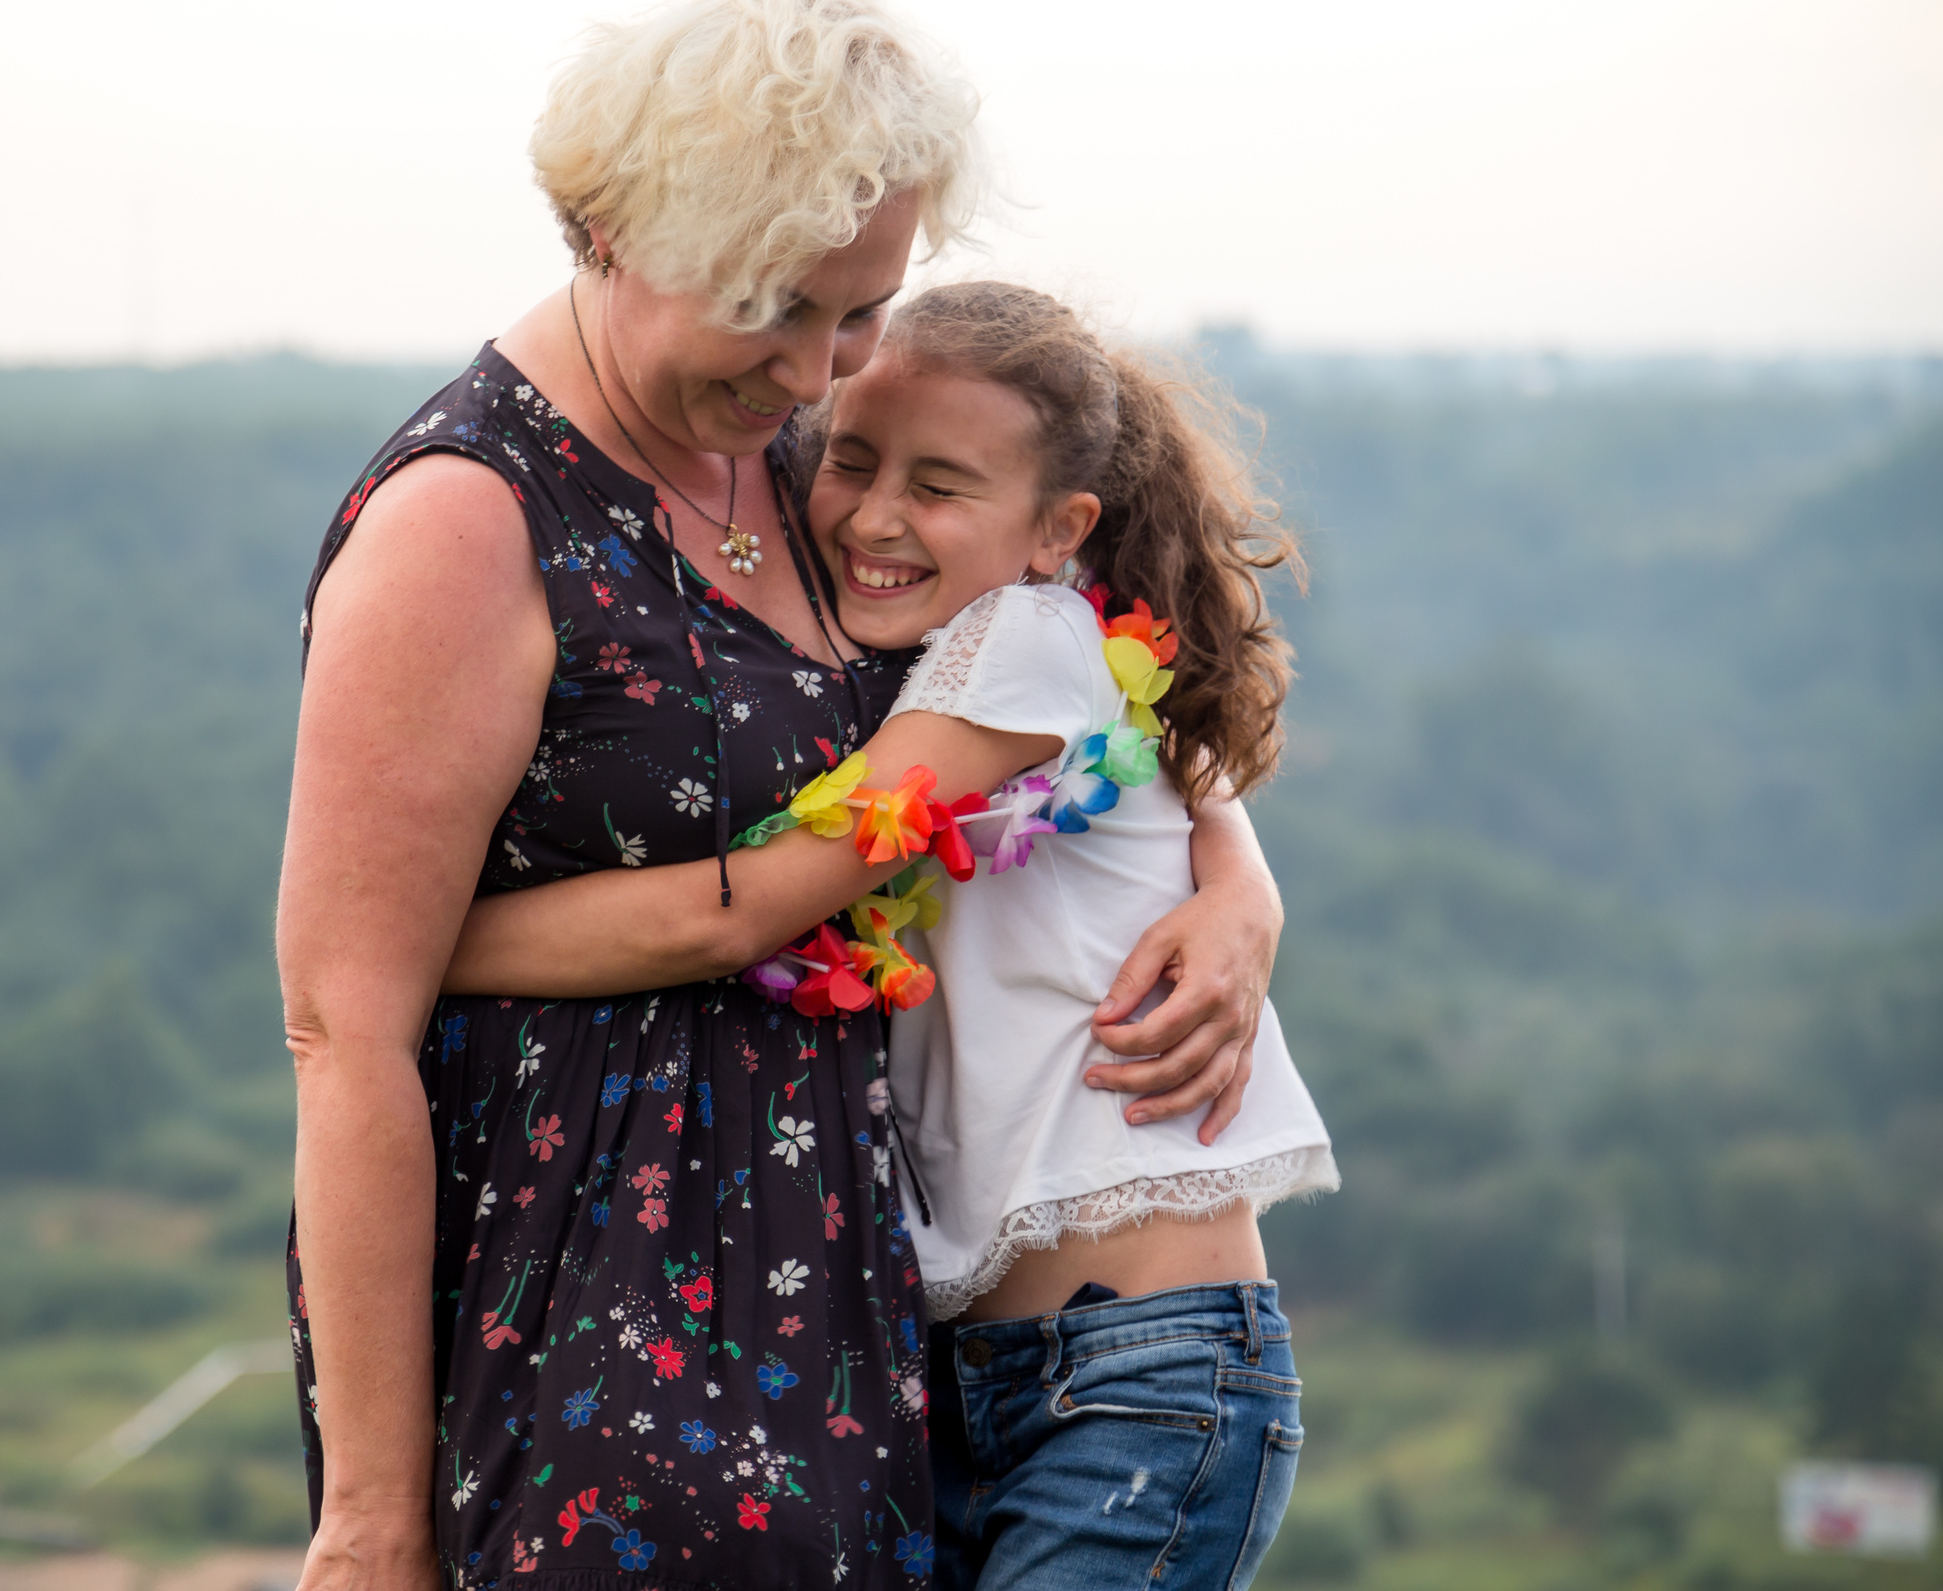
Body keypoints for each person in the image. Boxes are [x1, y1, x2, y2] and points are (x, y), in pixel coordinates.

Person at [280, 0, 1286, 1591]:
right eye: (779, 307)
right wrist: (371, 1523)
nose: (821, 365)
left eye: (862, 308)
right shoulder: (467, 519)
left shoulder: (805, 453)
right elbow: (346, 1031)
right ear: (612, 230)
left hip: (863, 1344)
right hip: (593, 1334)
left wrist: (1237, 882)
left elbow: (1053, 696)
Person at [445, 280, 1333, 1589]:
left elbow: (739, 904)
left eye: (941, 484)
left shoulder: (1026, 649)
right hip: (971, 1377)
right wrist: (1239, 873)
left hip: (1139, 1370)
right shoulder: (941, 661)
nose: (876, 515)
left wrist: (425, 949)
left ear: (1058, 530)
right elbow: (1185, 774)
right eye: (848, 459)